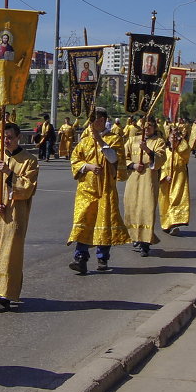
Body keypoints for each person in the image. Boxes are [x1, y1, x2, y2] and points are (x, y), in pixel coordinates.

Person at [0, 121, 39, 311]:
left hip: (15, 216)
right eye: (4, 137)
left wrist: (10, 174)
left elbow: (27, 188)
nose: (7, 141)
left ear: (18, 137)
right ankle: (3, 288)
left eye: (10, 137)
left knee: (10, 255)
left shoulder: (29, 160)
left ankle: (5, 296)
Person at [67, 107, 130, 274]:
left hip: (105, 189)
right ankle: (80, 257)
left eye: (95, 120)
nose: (92, 123)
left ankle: (102, 257)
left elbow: (114, 158)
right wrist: (87, 166)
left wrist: (100, 142)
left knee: (104, 220)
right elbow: (75, 159)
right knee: (84, 221)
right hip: (86, 190)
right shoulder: (85, 141)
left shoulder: (115, 139)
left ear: (102, 120)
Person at [124, 116, 166, 257]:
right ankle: (135, 237)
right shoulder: (132, 140)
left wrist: (147, 150)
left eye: (150, 126)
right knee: (133, 207)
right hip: (133, 180)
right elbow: (123, 156)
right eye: (145, 126)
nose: (146, 129)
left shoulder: (158, 141)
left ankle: (145, 243)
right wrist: (133, 165)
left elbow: (161, 159)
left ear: (154, 127)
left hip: (149, 180)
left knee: (146, 209)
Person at [158, 124, 191, 236]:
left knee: (176, 200)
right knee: (165, 202)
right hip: (165, 181)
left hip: (179, 180)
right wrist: (163, 177)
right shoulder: (165, 152)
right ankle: (166, 224)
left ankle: (174, 223)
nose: (174, 139)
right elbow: (158, 166)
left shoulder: (181, 151)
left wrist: (180, 139)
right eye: (172, 137)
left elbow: (186, 149)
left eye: (176, 137)